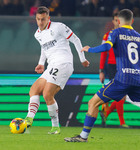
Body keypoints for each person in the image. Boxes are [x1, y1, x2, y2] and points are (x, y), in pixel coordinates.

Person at [64, 9, 140, 144]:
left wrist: (90, 49)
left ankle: (83, 136)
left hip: (122, 79)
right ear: (132, 21)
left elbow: (106, 47)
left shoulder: (116, 32)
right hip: (139, 79)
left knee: (92, 103)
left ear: (118, 21)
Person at [24, 6, 89, 134]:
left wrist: (82, 59)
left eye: (43, 19)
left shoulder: (59, 26)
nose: (40, 22)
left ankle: (55, 127)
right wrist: (41, 63)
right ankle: (29, 120)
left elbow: (76, 40)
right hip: (51, 65)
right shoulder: (37, 34)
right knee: (34, 90)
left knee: (47, 94)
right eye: (38, 19)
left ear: (48, 18)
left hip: (64, 63)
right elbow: (44, 48)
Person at [99, 13, 128, 128]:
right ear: (113, 22)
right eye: (116, 20)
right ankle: (122, 122)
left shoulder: (126, 35)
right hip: (112, 66)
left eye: (119, 20)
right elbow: (103, 53)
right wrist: (101, 70)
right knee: (121, 95)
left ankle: (106, 113)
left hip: (124, 66)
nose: (118, 22)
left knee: (123, 97)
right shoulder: (108, 35)